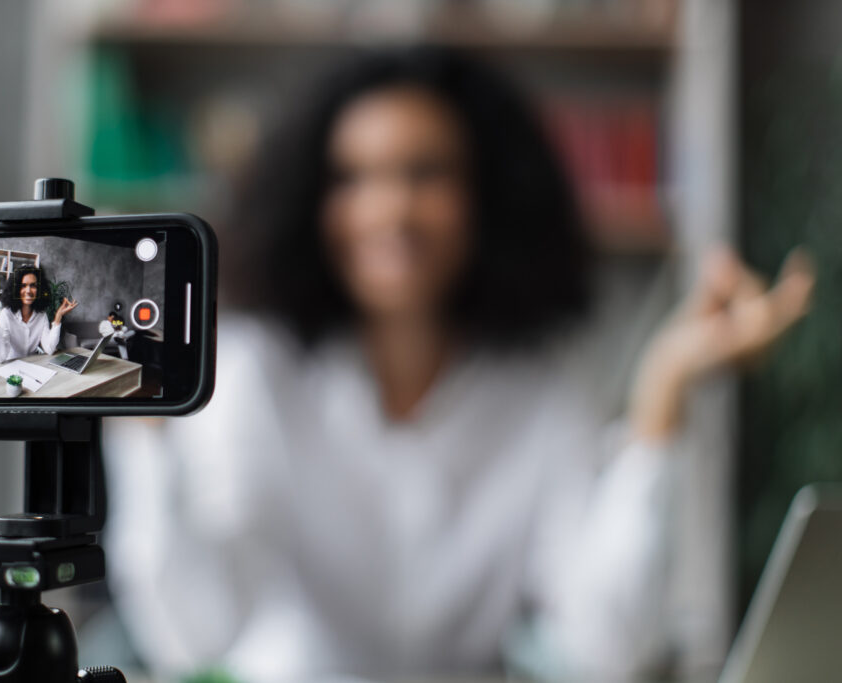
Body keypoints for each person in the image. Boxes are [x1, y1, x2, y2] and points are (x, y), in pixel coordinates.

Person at [103, 49, 814, 682]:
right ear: (314, 204)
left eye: (426, 173)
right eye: (354, 178)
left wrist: (663, 396)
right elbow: (190, 635)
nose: (392, 209)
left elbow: (609, 647)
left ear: (486, 197)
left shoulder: (538, 390)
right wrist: (139, 421)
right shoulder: (255, 369)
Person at [0, 265, 78, 363]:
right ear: (16, 289)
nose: (28, 291)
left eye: (33, 286)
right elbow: (0, 357)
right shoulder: (7, 314)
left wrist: (58, 316)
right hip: (10, 366)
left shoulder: (41, 316)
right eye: (23, 286)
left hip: (32, 366)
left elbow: (49, 349)